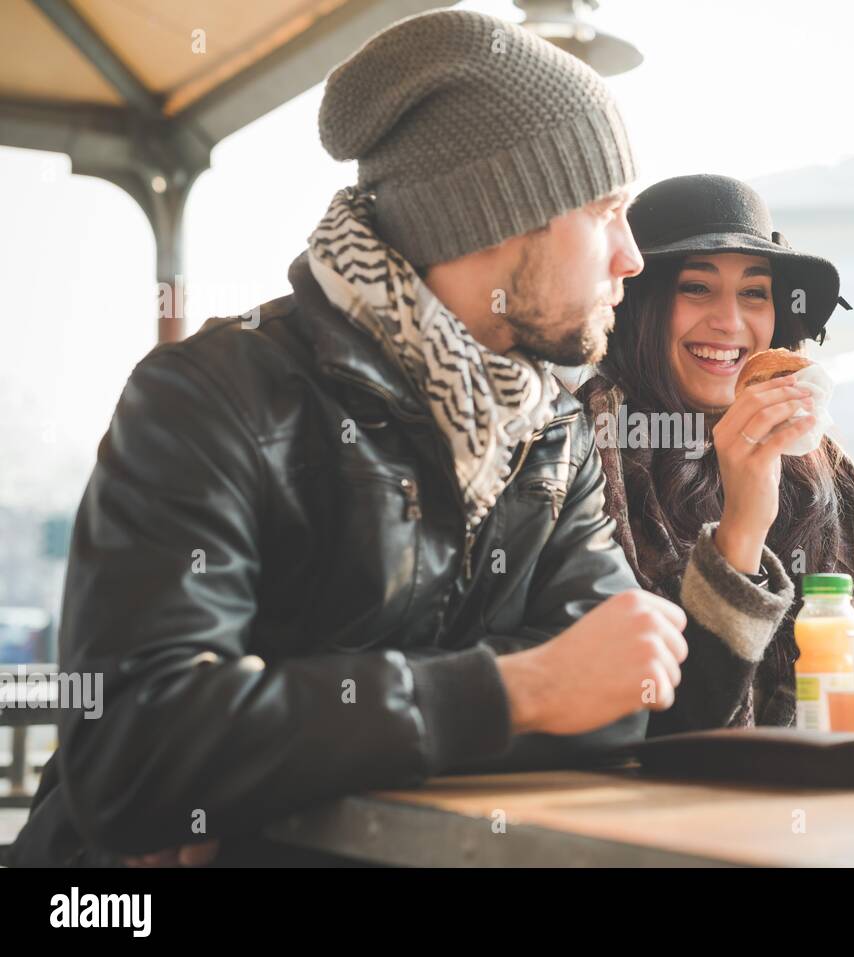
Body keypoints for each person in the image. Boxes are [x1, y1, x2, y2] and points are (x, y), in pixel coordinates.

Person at [6, 10, 687, 867]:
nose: (632, 256)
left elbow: (624, 684)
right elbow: (138, 745)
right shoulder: (213, 397)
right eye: (606, 209)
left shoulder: (549, 432)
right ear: (498, 213)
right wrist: (520, 687)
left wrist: (271, 746)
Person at [577, 174, 854, 732]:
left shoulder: (826, 467)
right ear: (638, 302)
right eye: (696, 288)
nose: (729, 322)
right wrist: (744, 527)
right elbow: (663, 721)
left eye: (754, 293)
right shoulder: (580, 449)